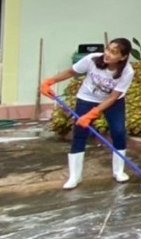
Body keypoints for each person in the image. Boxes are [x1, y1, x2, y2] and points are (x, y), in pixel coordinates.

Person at [40, 38, 135, 190]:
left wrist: (92, 114)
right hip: (86, 98)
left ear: (122, 57)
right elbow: (71, 71)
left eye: (114, 52)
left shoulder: (127, 72)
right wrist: (50, 81)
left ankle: (118, 171)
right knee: (79, 133)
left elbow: (112, 97)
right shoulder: (91, 59)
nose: (107, 54)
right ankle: (75, 176)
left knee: (118, 131)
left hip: (113, 102)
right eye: (108, 49)